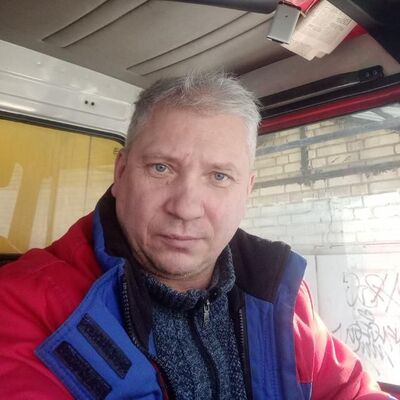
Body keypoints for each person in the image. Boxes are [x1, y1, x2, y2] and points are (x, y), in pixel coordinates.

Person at [0, 72, 395, 400]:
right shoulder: (22, 304)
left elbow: (352, 391)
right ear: (120, 173)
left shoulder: (280, 296)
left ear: (247, 190)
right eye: (161, 168)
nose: (186, 207)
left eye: (219, 176)